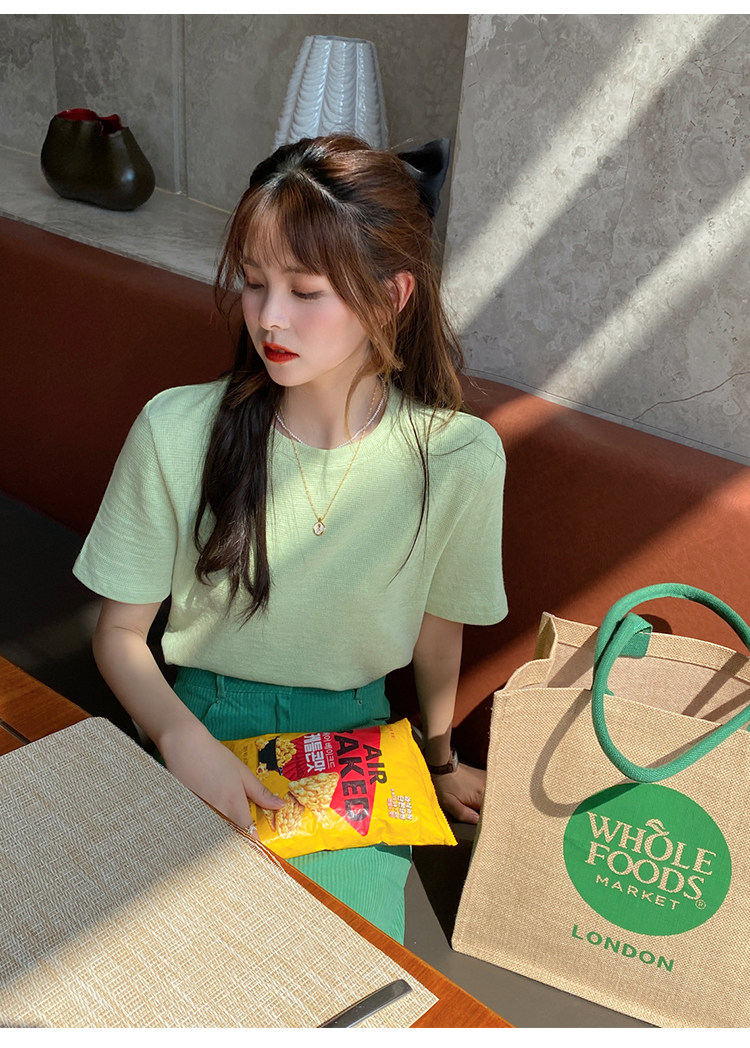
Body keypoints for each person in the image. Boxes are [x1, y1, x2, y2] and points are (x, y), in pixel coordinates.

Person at [73, 134, 507, 943]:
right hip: (198, 718)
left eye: (306, 291)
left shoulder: (458, 458)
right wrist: (179, 738)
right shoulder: (177, 429)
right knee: (148, 959)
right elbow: (120, 634)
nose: (269, 318)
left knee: (336, 971)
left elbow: (437, 633)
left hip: (355, 752)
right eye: (254, 282)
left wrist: (441, 762)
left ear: (391, 296)